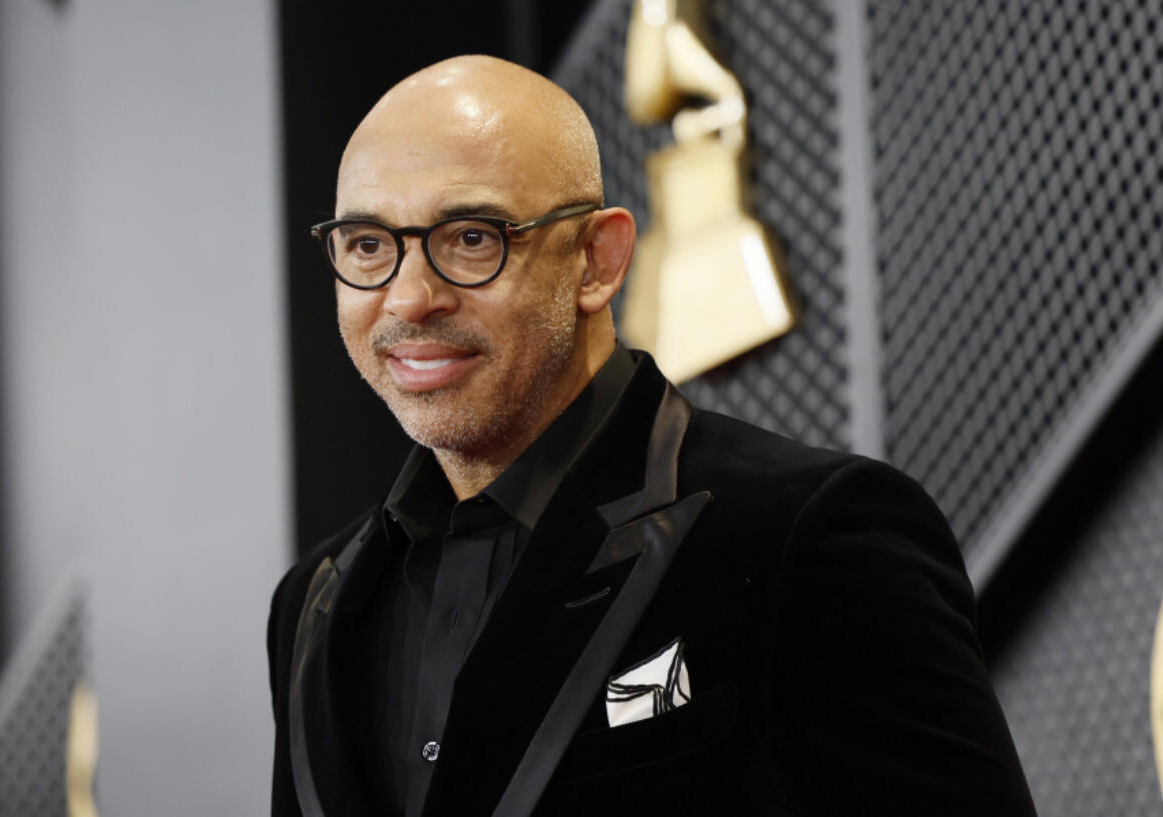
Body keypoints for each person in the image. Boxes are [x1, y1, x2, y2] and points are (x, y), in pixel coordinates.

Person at [267, 55, 1036, 817]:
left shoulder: (810, 534)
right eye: (368, 245)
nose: (409, 296)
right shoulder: (313, 603)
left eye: (472, 238)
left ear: (597, 260)